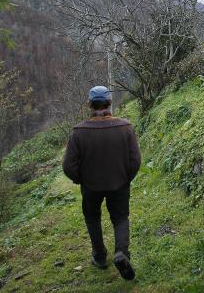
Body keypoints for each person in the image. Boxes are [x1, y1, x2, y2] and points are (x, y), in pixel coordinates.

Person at [62, 85, 141, 280]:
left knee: (92, 218)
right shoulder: (125, 128)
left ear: (89, 105)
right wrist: (125, 178)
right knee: (120, 218)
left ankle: (99, 256)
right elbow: (135, 160)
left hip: (91, 187)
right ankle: (121, 253)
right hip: (119, 184)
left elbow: (68, 166)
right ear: (109, 103)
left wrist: (82, 179)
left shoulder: (79, 132)